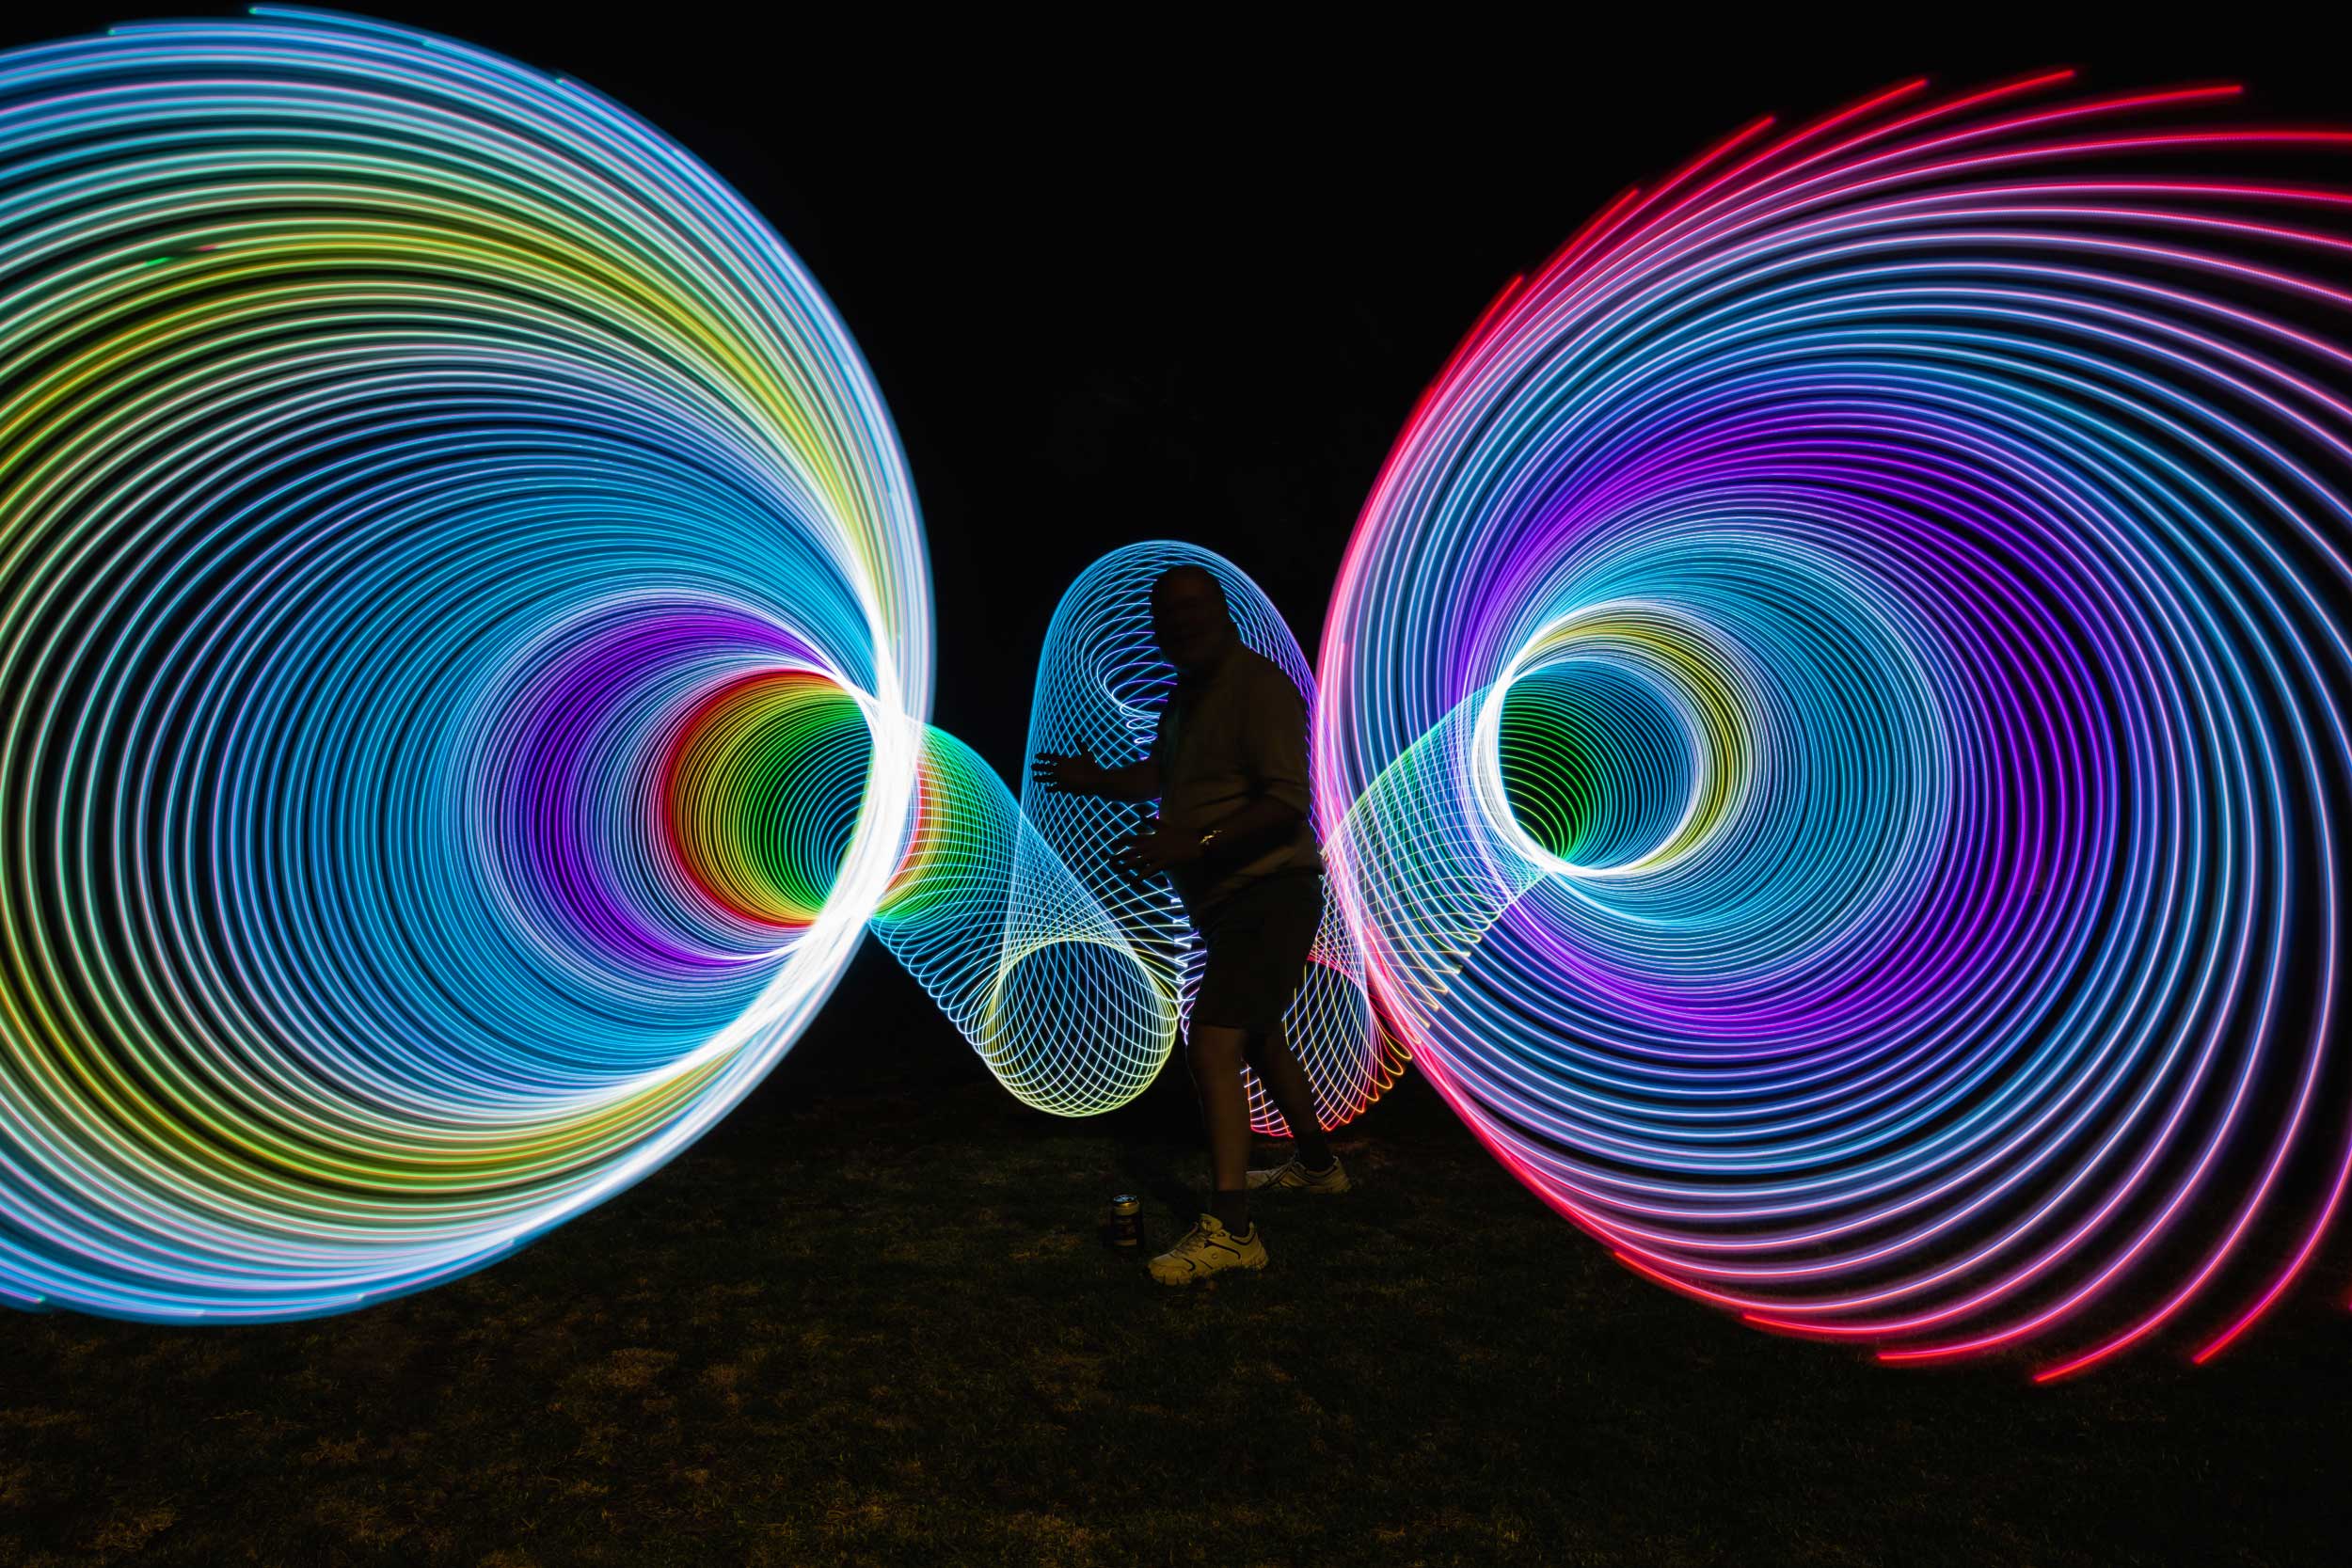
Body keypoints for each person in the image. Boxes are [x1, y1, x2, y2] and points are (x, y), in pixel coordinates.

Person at [1031, 564, 1349, 1285]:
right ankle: (1320, 1167)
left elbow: (1286, 803)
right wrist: (1098, 780)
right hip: (1228, 902)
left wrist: (1194, 844)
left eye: (1193, 607)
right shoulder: (1188, 695)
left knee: (1212, 1040)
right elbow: (1164, 777)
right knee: (1260, 1037)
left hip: (1270, 892)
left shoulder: (1258, 687)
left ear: (1222, 610)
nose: (1181, 623)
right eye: (1167, 614)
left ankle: (1233, 1230)